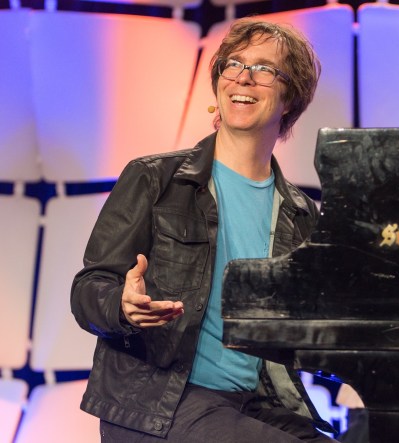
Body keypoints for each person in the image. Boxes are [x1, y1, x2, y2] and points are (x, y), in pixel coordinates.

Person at [71, 18, 336, 443]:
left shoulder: (301, 213)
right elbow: (89, 288)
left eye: (264, 68)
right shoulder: (154, 178)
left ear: (290, 98)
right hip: (159, 401)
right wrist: (123, 307)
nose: (243, 76)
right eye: (233, 63)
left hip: (254, 403)